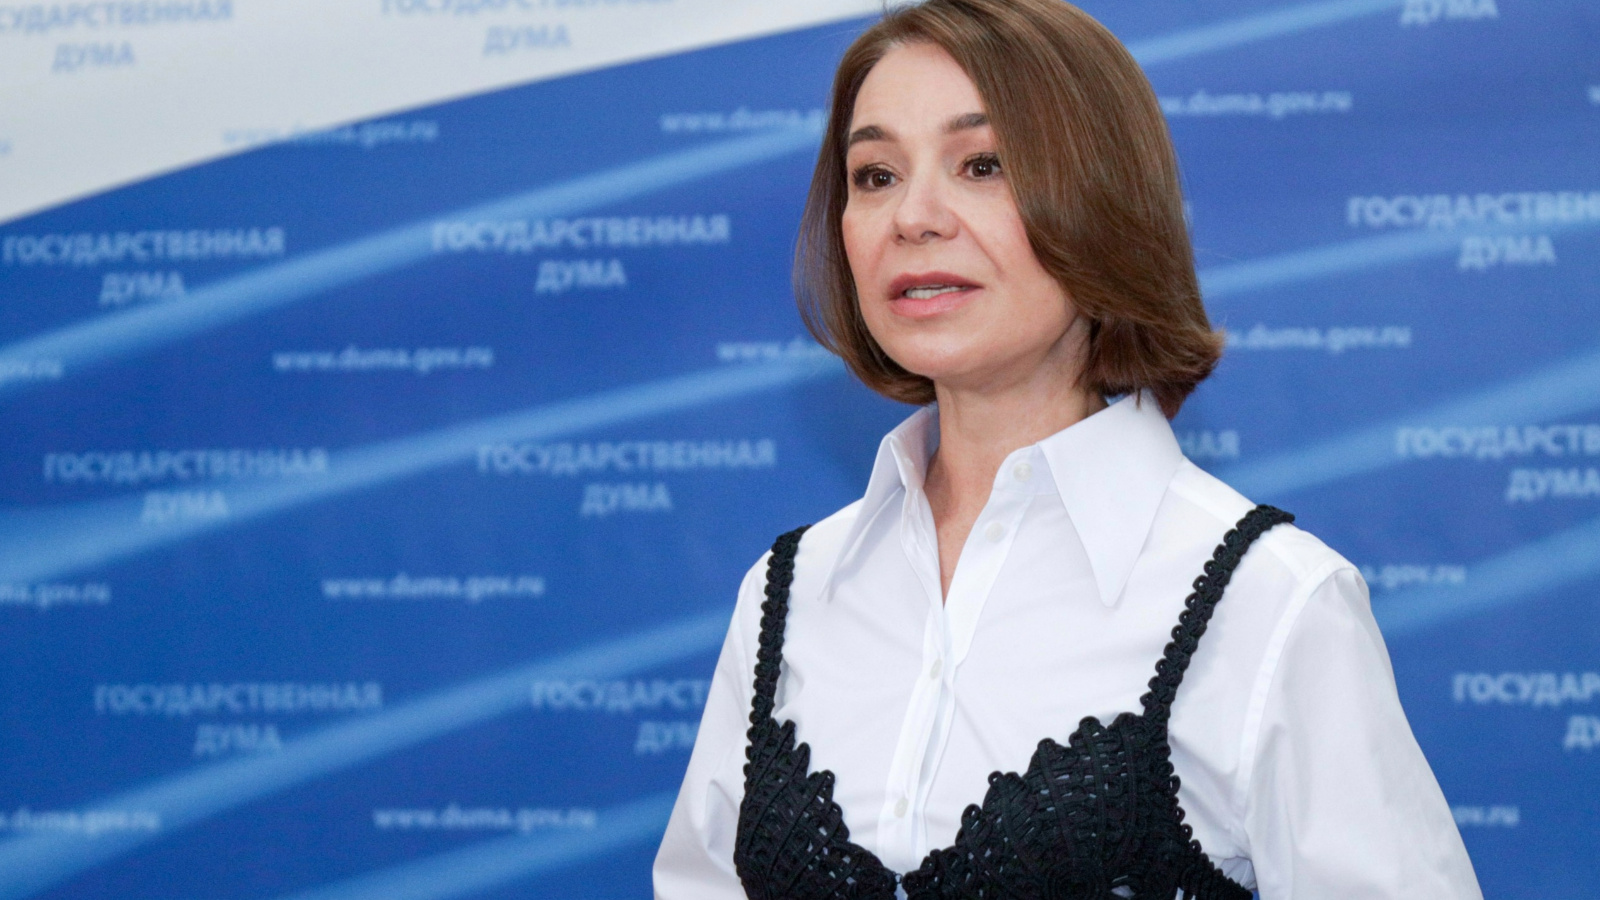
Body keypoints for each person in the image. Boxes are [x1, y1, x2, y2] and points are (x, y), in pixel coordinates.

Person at [654, 1, 1481, 897]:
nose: (914, 217)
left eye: (982, 165)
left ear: (1103, 203)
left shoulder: (1270, 602)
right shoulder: (788, 593)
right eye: (876, 175)